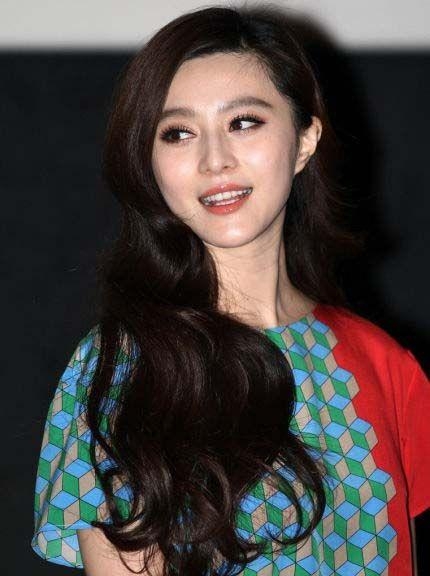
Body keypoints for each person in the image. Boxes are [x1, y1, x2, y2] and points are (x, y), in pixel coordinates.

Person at [31, 4, 430, 576]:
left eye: (244, 122)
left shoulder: (385, 363)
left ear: (305, 138)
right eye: (178, 133)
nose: (214, 160)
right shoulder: (120, 368)